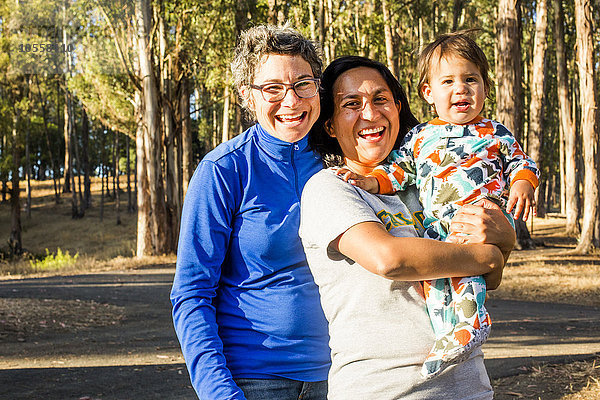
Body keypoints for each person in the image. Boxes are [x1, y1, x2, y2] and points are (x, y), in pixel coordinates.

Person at [300, 55, 516, 399]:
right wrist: (490, 256)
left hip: (469, 388)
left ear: (399, 108)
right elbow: (390, 259)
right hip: (383, 390)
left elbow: (489, 279)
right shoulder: (330, 189)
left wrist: (504, 240)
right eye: (351, 104)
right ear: (329, 125)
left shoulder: (430, 184)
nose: (370, 114)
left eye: (380, 99)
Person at [335, 32, 539, 377]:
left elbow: (521, 164)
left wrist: (521, 186)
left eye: (470, 79)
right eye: (448, 81)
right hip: (437, 225)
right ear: (429, 93)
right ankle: (449, 335)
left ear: (485, 89)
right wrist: (370, 182)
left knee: (467, 278)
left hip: (477, 216)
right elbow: (399, 171)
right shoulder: (419, 137)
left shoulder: (496, 133)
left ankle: (471, 326)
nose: (461, 89)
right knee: (437, 282)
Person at [170, 25, 330, 400]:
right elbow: (191, 293)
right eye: (273, 88)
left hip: (342, 375)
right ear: (248, 95)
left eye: (303, 84)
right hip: (254, 380)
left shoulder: (342, 160)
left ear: (318, 88)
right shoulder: (223, 171)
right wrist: (219, 392)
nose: (291, 101)